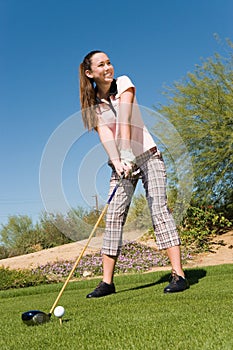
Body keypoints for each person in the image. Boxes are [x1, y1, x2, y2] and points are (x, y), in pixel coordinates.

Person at [79, 50, 189, 297]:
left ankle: (179, 274)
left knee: (159, 209)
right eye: (101, 65)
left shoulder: (124, 83)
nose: (108, 67)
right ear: (90, 73)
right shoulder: (93, 105)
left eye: (109, 62)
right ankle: (107, 282)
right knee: (113, 217)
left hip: (148, 155)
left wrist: (128, 150)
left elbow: (126, 119)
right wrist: (117, 161)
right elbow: (106, 134)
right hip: (122, 164)